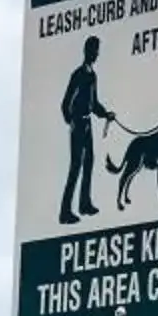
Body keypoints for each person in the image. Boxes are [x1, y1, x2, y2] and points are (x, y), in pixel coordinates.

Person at [59, 36, 116, 224]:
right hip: (78, 125)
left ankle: (84, 204)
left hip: (88, 124)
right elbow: (65, 102)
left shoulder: (92, 75)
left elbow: (94, 103)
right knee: (75, 167)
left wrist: (105, 114)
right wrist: (71, 121)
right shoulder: (78, 74)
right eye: (95, 50)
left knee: (89, 163)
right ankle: (65, 211)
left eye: (98, 50)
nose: (97, 54)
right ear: (88, 51)